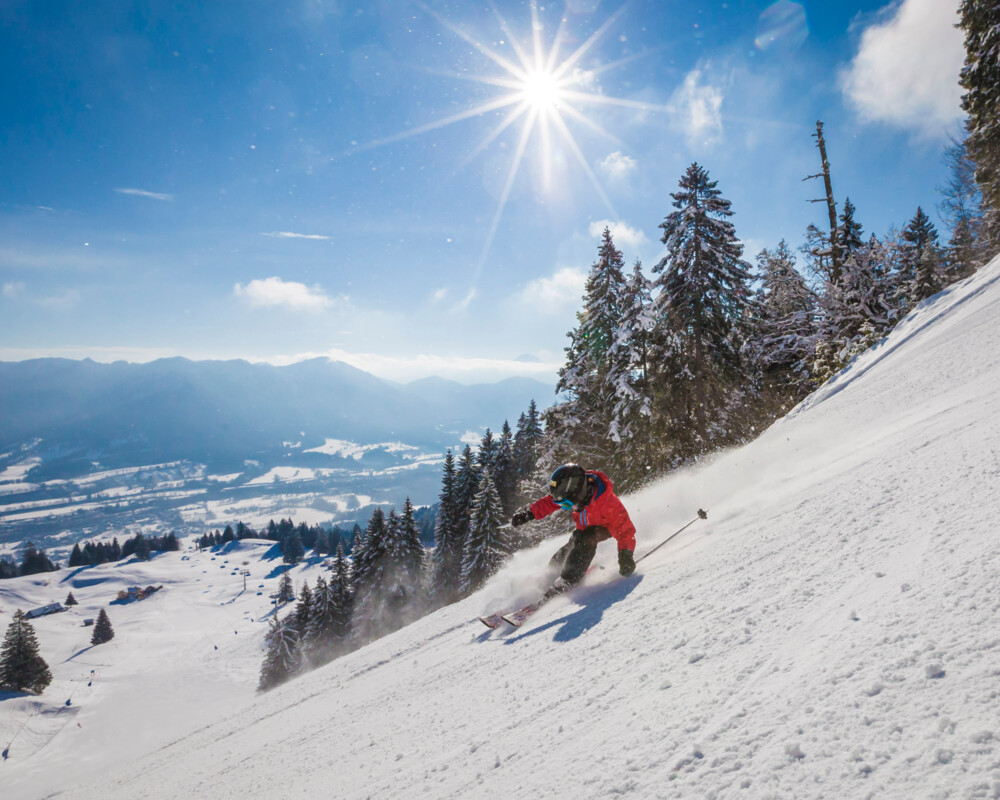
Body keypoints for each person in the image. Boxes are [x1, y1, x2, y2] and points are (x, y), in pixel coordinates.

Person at [510, 463, 637, 596]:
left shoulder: (607, 503)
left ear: (579, 493)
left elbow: (625, 530)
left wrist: (625, 556)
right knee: (569, 547)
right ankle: (548, 579)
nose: (566, 508)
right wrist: (529, 514)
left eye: (567, 504)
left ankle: (568, 581)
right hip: (583, 530)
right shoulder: (573, 492)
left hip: (603, 529)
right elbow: (549, 503)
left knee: (586, 538)